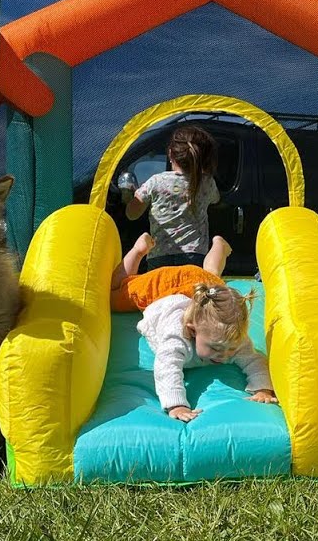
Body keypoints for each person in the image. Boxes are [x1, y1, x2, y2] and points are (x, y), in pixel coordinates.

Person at [110, 233, 276, 423]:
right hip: (161, 287)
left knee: (211, 278)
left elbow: (254, 359)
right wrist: (176, 404)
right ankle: (138, 251)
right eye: (215, 348)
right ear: (192, 331)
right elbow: (167, 367)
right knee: (114, 294)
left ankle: (219, 245)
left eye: (230, 349)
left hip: (198, 284)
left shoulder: (226, 336)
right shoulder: (176, 336)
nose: (224, 355)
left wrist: (263, 388)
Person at [121, 125, 220, 270]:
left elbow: (132, 214)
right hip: (195, 256)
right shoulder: (207, 182)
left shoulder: (155, 181)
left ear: (170, 154)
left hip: (159, 255)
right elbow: (216, 199)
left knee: (161, 291)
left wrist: (128, 195)